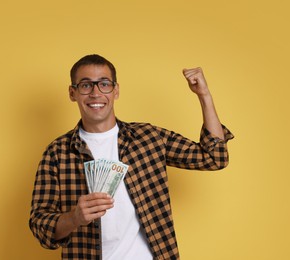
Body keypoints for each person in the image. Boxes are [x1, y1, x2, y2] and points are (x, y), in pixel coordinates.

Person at [29, 54, 234, 259]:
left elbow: (214, 157)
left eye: (104, 84)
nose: (95, 93)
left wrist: (204, 95)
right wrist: (74, 218)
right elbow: (40, 226)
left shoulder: (149, 138)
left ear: (116, 90)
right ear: (72, 93)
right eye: (85, 85)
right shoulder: (57, 153)